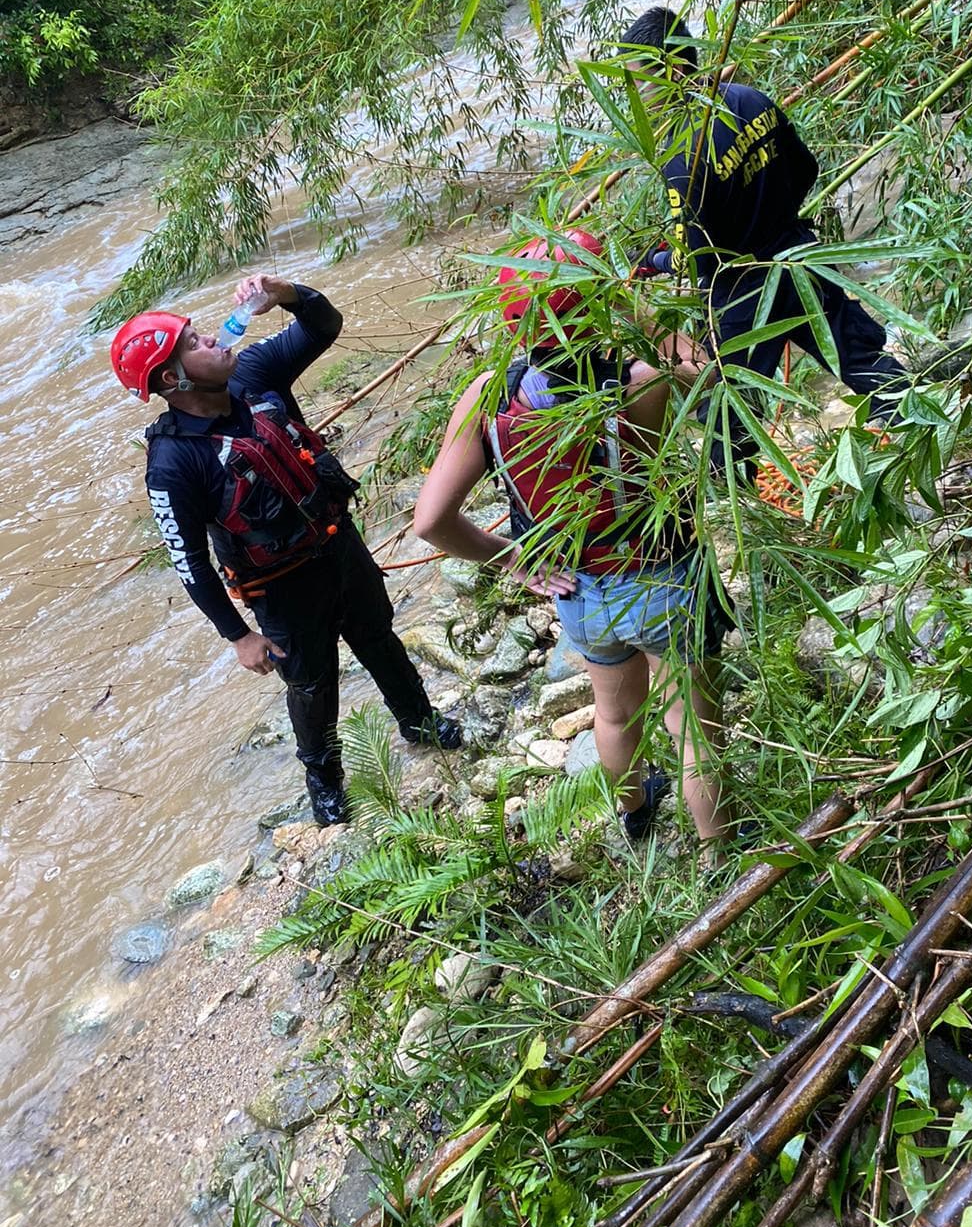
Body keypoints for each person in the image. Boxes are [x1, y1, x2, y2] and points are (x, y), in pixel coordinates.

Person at [411, 231, 736, 855]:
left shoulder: (490, 397)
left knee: (614, 715)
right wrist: (635, 308)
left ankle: (636, 813)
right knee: (692, 727)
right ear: (596, 304)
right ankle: (722, 855)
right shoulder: (640, 382)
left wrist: (515, 560)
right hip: (660, 575)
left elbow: (430, 522)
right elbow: (710, 371)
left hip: (578, 592)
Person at [110, 275, 461, 827]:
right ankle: (325, 781)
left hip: (337, 545)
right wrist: (239, 636)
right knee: (312, 684)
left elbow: (324, 326)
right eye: (194, 344)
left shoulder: (253, 373)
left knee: (378, 635)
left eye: (203, 333)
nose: (213, 342)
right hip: (280, 587)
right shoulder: (174, 463)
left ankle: (419, 722)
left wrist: (287, 293)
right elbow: (189, 561)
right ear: (172, 379)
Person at [619, 6, 907, 474]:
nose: (635, 96)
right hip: (799, 258)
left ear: (669, 72)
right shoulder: (750, 99)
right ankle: (919, 429)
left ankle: (738, 517)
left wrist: (654, 259)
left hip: (744, 296)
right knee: (858, 357)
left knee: (730, 414)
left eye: (637, 82)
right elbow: (806, 168)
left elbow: (697, 258)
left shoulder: (682, 153)